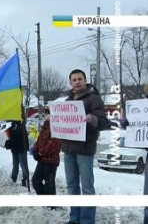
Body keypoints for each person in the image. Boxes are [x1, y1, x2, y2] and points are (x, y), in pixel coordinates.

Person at [46, 69, 108, 224]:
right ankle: (74, 219)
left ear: (85, 80)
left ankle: (87, 221)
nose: (77, 82)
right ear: (70, 82)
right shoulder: (67, 102)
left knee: (87, 188)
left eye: (80, 79)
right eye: (74, 80)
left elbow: (104, 123)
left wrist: (92, 119)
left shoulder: (94, 99)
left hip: (85, 150)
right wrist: (52, 119)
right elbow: (63, 122)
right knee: (72, 186)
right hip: (68, 150)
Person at [31, 108, 62, 199]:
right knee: (36, 181)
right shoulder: (45, 125)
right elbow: (40, 139)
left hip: (51, 160)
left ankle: (51, 205)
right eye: (45, 113)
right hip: (42, 160)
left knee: (49, 183)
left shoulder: (57, 126)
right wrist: (35, 150)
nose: (45, 115)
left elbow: (54, 143)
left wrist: (41, 153)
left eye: (47, 113)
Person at [5, 121, 29, 187]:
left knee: (23, 165)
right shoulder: (9, 123)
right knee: (15, 165)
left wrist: (14, 127)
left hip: (21, 147)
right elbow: (9, 134)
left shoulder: (20, 121)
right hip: (15, 147)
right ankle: (13, 179)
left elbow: (21, 131)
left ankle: (25, 180)